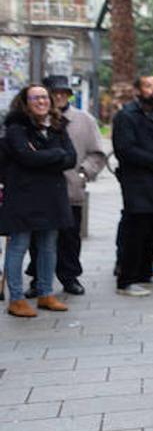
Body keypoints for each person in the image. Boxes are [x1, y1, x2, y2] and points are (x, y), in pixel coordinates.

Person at [19, 76, 106, 298]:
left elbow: (97, 153)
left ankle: (69, 277)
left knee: (70, 237)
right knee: (38, 239)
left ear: (69, 95)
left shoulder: (84, 120)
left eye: (63, 93)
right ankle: (38, 279)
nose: (58, 96)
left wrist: (82, 173)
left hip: (70, 190)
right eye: (54, 92)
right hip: (39, 192)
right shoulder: (30, 120)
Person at [2, 85, 77, 316]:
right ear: (25, 102)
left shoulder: (58, 125)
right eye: (35, 98)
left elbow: (71, 158)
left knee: (48, 246)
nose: (41, 101)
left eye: (44, 97)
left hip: (52, 196)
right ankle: (16, 299)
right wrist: (55, 155)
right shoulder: (16, 127)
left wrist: (42, 156)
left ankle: (46, 293)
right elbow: (26, 157)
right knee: (18, 246)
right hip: (23, 195)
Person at [112, 76, 153, 297]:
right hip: (137, 181)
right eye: (148, 86)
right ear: (138, 91)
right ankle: (126, 280)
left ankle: (144, 274)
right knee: (136, 230)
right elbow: (125, 150)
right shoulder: (126, 115)